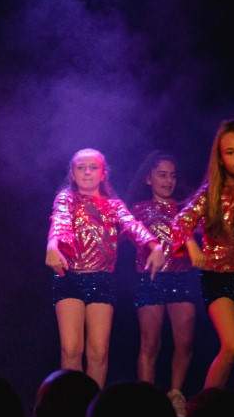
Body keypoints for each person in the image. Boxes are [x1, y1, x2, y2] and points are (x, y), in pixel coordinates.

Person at [45, 147, 164, 386]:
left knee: (98, 352)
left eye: (93, 168)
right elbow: (59, 221)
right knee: (71, 349)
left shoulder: (113, 204)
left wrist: (154, 245)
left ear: (103, 174)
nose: (87, 172)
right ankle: (71, 402)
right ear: (72, 173)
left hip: (101, 280)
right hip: (69, 277)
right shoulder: (66, 198)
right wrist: (52, 245)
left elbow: (132, 225)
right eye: (81, 168)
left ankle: (93, 404)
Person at [171, 120, 234, 392]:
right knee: (232, 346)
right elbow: (180, 222)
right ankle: (203, 410)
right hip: (217, 278)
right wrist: (191, 246)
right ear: (221, 158)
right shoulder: (212, 192)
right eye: (231, 152)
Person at [128, 150, 197, 417]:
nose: (168, 181)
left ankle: (176, 394)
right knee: (150, 343)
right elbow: (123, 233)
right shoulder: (137, 209)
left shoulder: (185, 209)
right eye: (162, 175)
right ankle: (146, 401)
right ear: (149, 178)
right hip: (150, 279)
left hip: (180, 277)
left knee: (185, 341)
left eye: (172, 176)